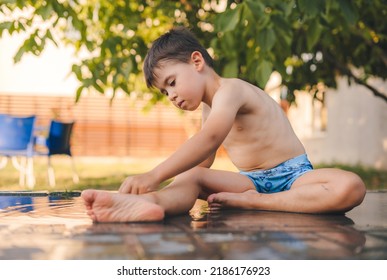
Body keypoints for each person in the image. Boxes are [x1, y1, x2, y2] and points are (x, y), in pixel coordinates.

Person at [81, 27, 366, 223]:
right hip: (250, 182)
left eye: (172, 83)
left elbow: (209, 138)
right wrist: (163, 186)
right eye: (165, 93)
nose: (172, 96)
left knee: (350, 186)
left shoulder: (232, 90)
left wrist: (153, 174)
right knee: (193, 177)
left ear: (196, 61)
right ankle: (152, 205)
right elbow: (203, 162)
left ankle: (257, 204)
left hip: (294, 178)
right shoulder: (209, 109)